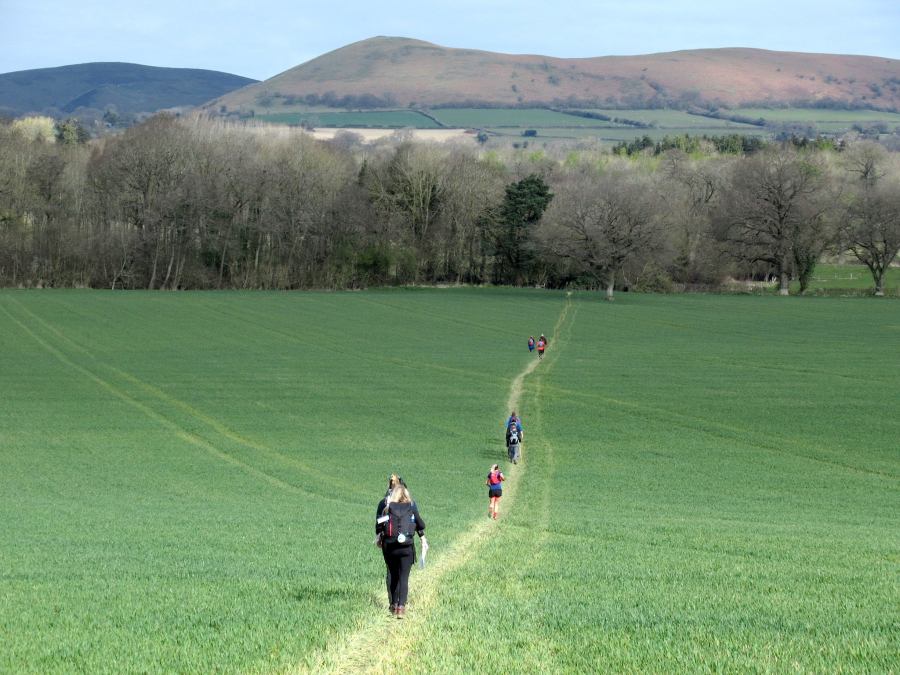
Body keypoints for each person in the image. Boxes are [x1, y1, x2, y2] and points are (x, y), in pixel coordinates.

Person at [376, 483, 426, 618]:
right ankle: (401, 608)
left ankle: (393, 605)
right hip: (406, 548)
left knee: (393, 575)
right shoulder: (411, 507)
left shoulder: (387, 508)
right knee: (404, 577)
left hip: (390, 547)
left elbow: (378, 525)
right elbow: (421, 525)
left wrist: (380, 538)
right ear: (406, 495)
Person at [375, 474, 405, 607]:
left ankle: (392, 601)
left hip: (388, 540)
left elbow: (378, 522)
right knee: (402, 571)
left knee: (390, 571)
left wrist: (379, 537)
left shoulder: (383, 502)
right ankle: (401, 601)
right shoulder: (407, 502)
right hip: (404, 541)